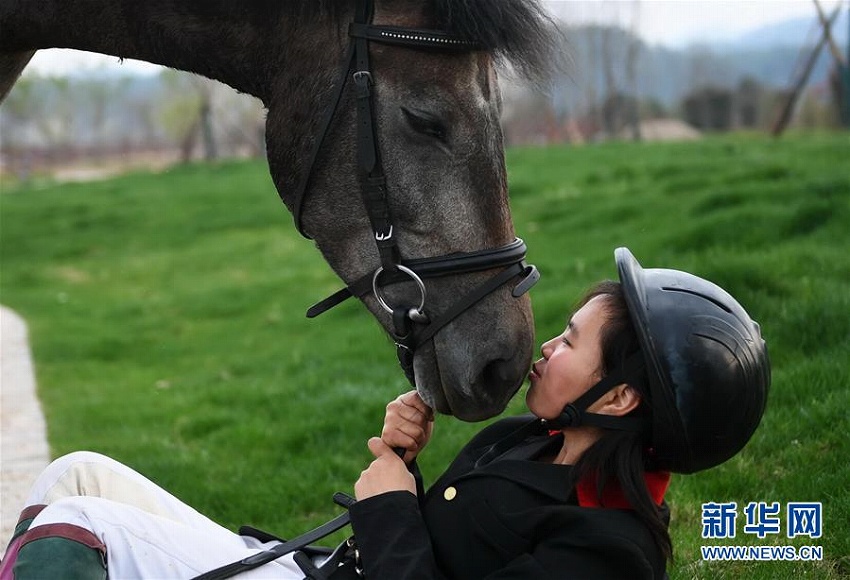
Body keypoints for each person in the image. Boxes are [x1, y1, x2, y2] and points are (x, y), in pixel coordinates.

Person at [0, 248, 770, 579]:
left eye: (570, 340)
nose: (546, 346)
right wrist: (403, 464)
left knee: (78, 527)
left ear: (622, 396)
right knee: (79, 474)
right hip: (310, 569)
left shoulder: (608, 550)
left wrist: (391, 508)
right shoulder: (532, 441)